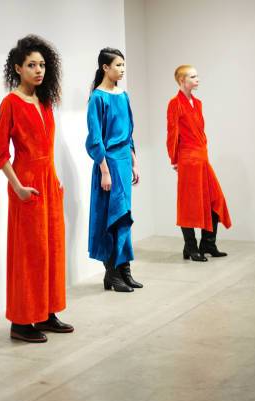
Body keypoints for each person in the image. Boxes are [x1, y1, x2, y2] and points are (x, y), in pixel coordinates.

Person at [0, 35, 73, 343]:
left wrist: (56, 178)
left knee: (52, 248)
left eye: (42, 65)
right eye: (31, 65)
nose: (39, 70)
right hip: (26, 185)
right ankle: (22, 322)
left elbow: (48, 149)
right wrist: (18, 187)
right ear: (17, 68)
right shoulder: (10, 103)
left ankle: (47, 312)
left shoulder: (46, 101)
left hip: (49, 184)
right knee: (28, 253)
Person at [86, 48, 142, 292]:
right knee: (113, 217)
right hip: (108, 163)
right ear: (105, 67)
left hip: (124, 161)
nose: (122, 69)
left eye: (123, 65)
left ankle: (125, 270)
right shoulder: (97, 98)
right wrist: (104, 170)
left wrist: (135, 161)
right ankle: (112, 273)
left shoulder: (123, 95)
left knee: (124, 216)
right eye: (117, 65)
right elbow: (95, 137)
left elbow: (129, 132)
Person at [166, 65, 232, 261]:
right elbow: (172, 132)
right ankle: (191, 247)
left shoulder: (198, 103)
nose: (197, 79)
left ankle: (208, 244)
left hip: (202, 157)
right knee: (189, 203)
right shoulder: (174, 103)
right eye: (193, 77)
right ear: (182, 81)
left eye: (197, 76)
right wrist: (175, 159)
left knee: (214, 198)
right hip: (187, 159)